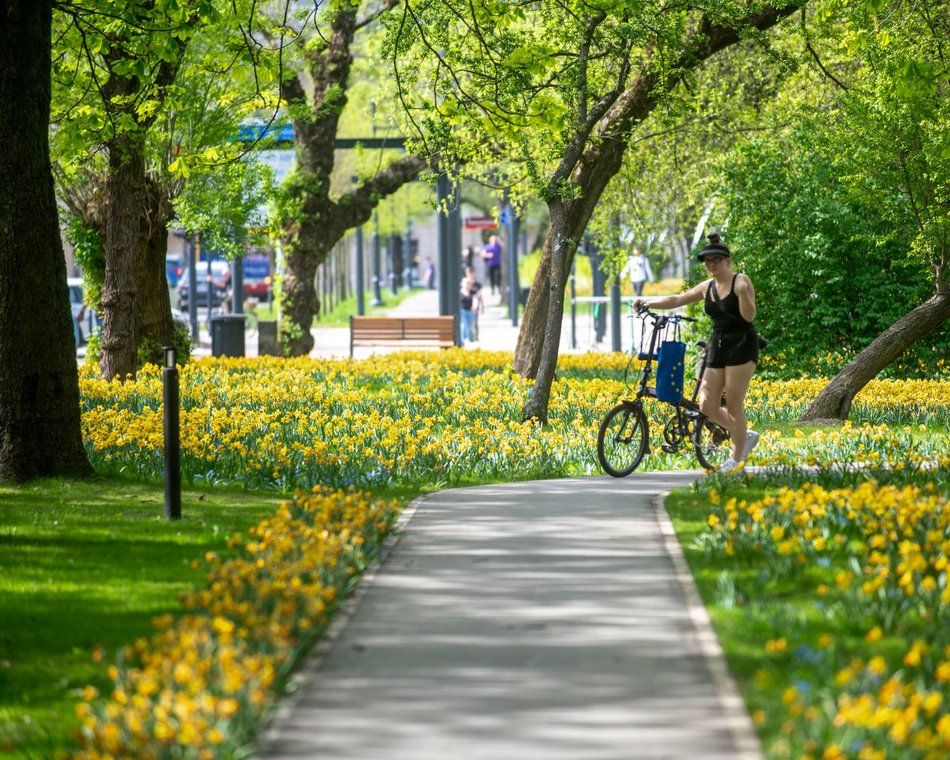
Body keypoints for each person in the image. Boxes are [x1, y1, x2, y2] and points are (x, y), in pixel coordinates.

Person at [633, 232, 760, 473]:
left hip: (741, 344)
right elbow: (678, 299)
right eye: (708, 261)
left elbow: (748, 316)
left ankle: (736, 461)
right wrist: (648, 303)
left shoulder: (741, 282)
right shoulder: (707, 287)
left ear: (727, 261)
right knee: (706, 405)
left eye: (717, 260)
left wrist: (744, 293)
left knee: (734, 403)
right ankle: (743, 434)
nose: (712, 264)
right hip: (717, 345)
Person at [464, 265, 484, 341]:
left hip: (475, 307)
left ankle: (476, 337)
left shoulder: (477, 285)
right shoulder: (464, 282)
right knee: (466, 324)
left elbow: (480, 296)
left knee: (475, 322)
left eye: (472, 272)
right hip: (465, 307)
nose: (470, 274)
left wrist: (482, 306)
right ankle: (469, 338)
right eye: (469, 272)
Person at [459, 275, 478, 344]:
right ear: (462, 284)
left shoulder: (472, 292)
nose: (467, 285)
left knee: (470, 326)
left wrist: (474, 306)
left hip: (470, 311)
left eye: (469, 284)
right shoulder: (459, 292)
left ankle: (470, 339)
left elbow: (475, 299)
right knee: (464, 325)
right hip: (462, 311)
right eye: (466, 283)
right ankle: (464, 339)